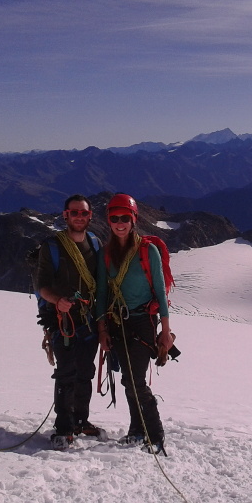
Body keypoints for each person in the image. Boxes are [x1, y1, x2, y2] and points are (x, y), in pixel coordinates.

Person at [96, 193, 173, 455]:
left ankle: (154, 433)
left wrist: (166, 330)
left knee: (135, 380)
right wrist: (103, 329)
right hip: (119, 324)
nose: (120, 223)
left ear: (133, 220)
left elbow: (161, 293)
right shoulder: (106, 254)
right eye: (115, 218)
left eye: (124, 218)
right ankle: (137, 430)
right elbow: (102, 295)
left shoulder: (147, 251)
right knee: (130, 379)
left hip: (142, 323)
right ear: (109, 221)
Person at [36, 194, 104, 450]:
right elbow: (41, 285)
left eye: (83, 213)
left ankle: (79, 420)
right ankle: (64, 427)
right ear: (65, 215)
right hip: (63, 322)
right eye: (74, 212)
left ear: (90, 216)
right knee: (66, 373)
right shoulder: (51, 247)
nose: (79, 217)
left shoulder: (95, 243)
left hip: (87, 321)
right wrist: (58, 301)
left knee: (85, 372)